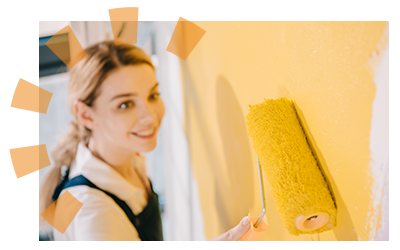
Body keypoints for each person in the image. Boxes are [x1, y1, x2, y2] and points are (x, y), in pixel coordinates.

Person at [39, 40, 250, 241]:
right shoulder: (91, 210)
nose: (150, 116)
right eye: (125, 104)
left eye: (153, 95)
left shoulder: (125, 153)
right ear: (86, 115)